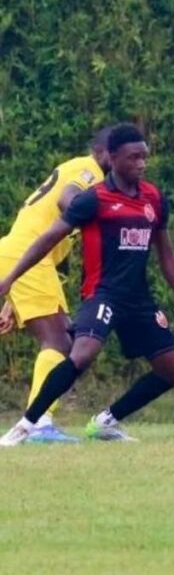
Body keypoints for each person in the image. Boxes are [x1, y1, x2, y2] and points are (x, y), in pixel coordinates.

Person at [0, 123, 174, 446]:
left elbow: (167, 256)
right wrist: (11, 278)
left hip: (137, 297)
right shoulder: (93, 190)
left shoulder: (153, 198)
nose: (141, 164)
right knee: (72, 349)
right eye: (133, 157)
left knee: (172, 370)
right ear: (109, 157)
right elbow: (60, 213)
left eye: (145, 157)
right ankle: (30, 424)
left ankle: (105, 422)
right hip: (99, 291)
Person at [0, 126, 112, 442]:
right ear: (105, 153)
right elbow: (68, 199)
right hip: (24, 254)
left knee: (64, 339)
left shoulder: (76, 167)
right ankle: (39, 424)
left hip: (23, 258)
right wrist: (105, 217)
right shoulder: (90, 172)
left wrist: (12, 299)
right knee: (60, 343)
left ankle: (39, 422)